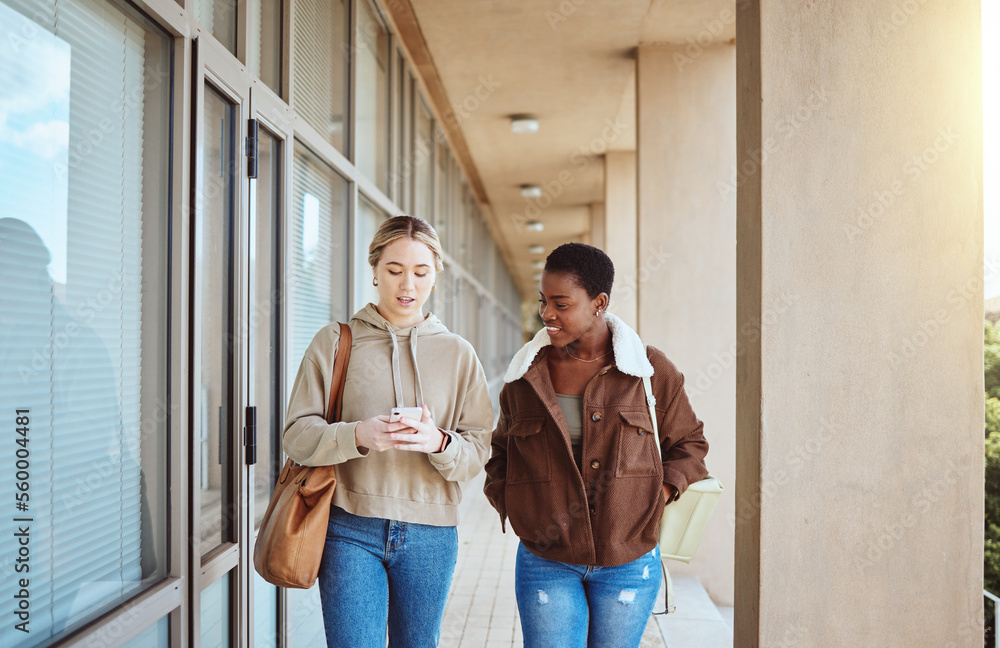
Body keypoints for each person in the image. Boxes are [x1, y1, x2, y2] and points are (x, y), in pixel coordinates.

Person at [282, 215, 494, 648]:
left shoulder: (458, 354)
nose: (407, 285)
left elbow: (479, 449)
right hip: (348, 527)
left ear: (436, 277)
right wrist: (357, 435)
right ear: (375, 269)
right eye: (395, 270)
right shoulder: (335, 342)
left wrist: (438, 442)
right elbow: (296, 434)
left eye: (420, 272)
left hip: (432, 532)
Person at [484, 242, 709, 648]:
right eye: (542, 301)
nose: (546, 314)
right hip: (546, 559)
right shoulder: (525, 376)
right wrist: (515, 505)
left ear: (599, 302)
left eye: (560, 303)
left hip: (629, 561)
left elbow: (691, 445)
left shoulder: (650, 371)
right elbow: (501, 454)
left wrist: (655, 496)